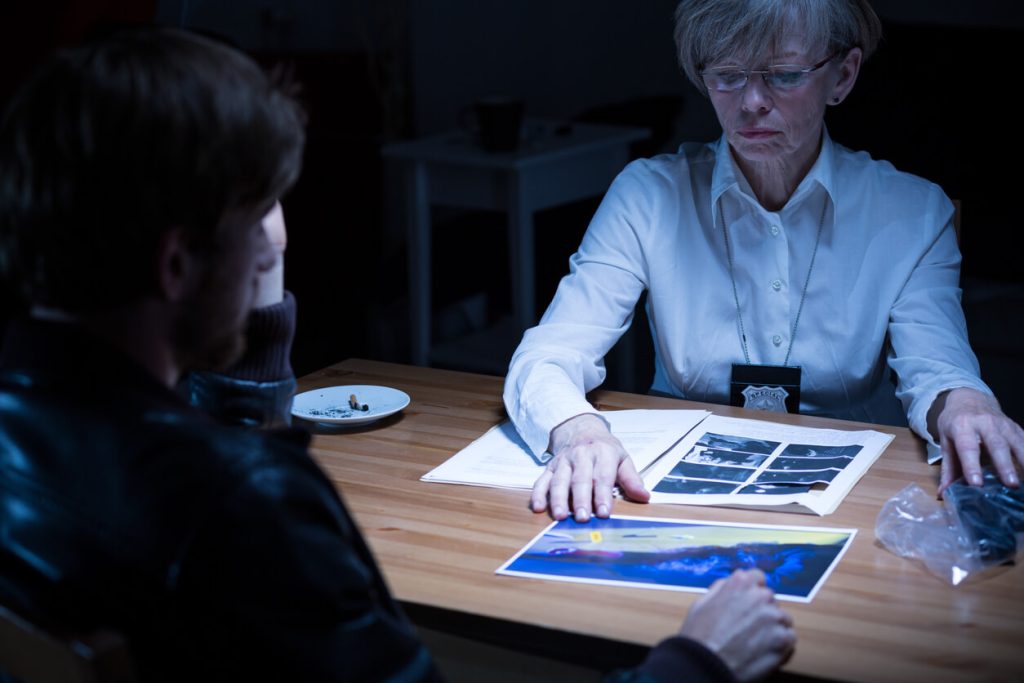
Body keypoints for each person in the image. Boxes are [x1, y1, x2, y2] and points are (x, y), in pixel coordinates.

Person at [0, 26, 795, 682]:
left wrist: (242, 300)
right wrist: (693, 663)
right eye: (262, 209)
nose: (280, 233)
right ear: (175, 264)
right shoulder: (247, 505)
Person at [504, 0, 1024, 524]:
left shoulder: (911, 212)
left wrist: (965, 404)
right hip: (672, 493)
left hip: (857, 499)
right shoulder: (647, 196)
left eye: (784, 75)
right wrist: (578, 430)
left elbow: (937, 369)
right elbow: (548, 355)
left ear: (842, 76)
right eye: (727, 77)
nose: (751, 102)